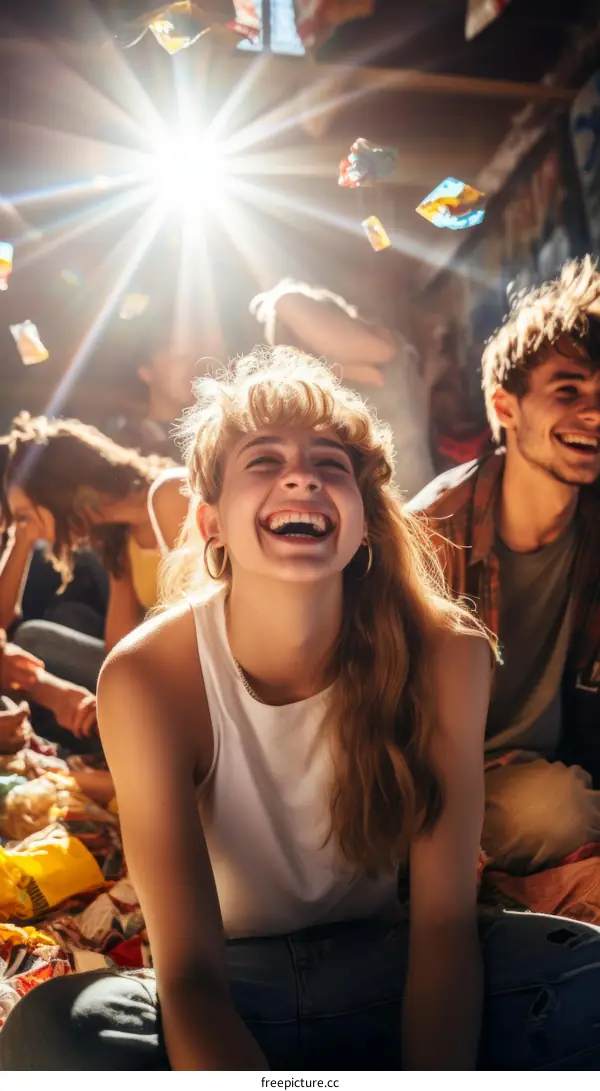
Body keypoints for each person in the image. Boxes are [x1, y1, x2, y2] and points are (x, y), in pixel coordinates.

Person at [5, 349, 600, 1072]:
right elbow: (190, 976)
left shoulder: (448, 652)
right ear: (210, 521)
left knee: (585, 976)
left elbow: (443, 927)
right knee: (50, 1029)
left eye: (330, 463)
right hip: (233, 985)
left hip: (390, 968)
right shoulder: (146, 676)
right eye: (263, 460)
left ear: (362, 521)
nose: (301, 475)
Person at [408, 256, 600, 875]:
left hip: (546, 767)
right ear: (507, 407)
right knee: (558, 812)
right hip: (432, 780)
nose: (594, 414)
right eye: (567, 391)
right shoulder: (433, 530)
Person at [0, 414, 183, 699]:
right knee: (41, 634)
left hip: (203, 673)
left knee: (34, 639)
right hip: (161, 673)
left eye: (25, 518)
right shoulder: (118, 538)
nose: (29, 533)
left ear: (57, 492)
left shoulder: (172, 496)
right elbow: (119, 647)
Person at [250, 279, 436, 499]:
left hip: (417, 507)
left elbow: (286, 303)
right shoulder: (319, 397)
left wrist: (279, 300)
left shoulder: (380, 343)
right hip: (383, 516)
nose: (289, 359)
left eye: (294, 339)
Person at [106, 335, 207, 462]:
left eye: (195, 360)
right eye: (180, 359)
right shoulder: (126, 444)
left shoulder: (211, 436)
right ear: (146, 373)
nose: (193, 369)